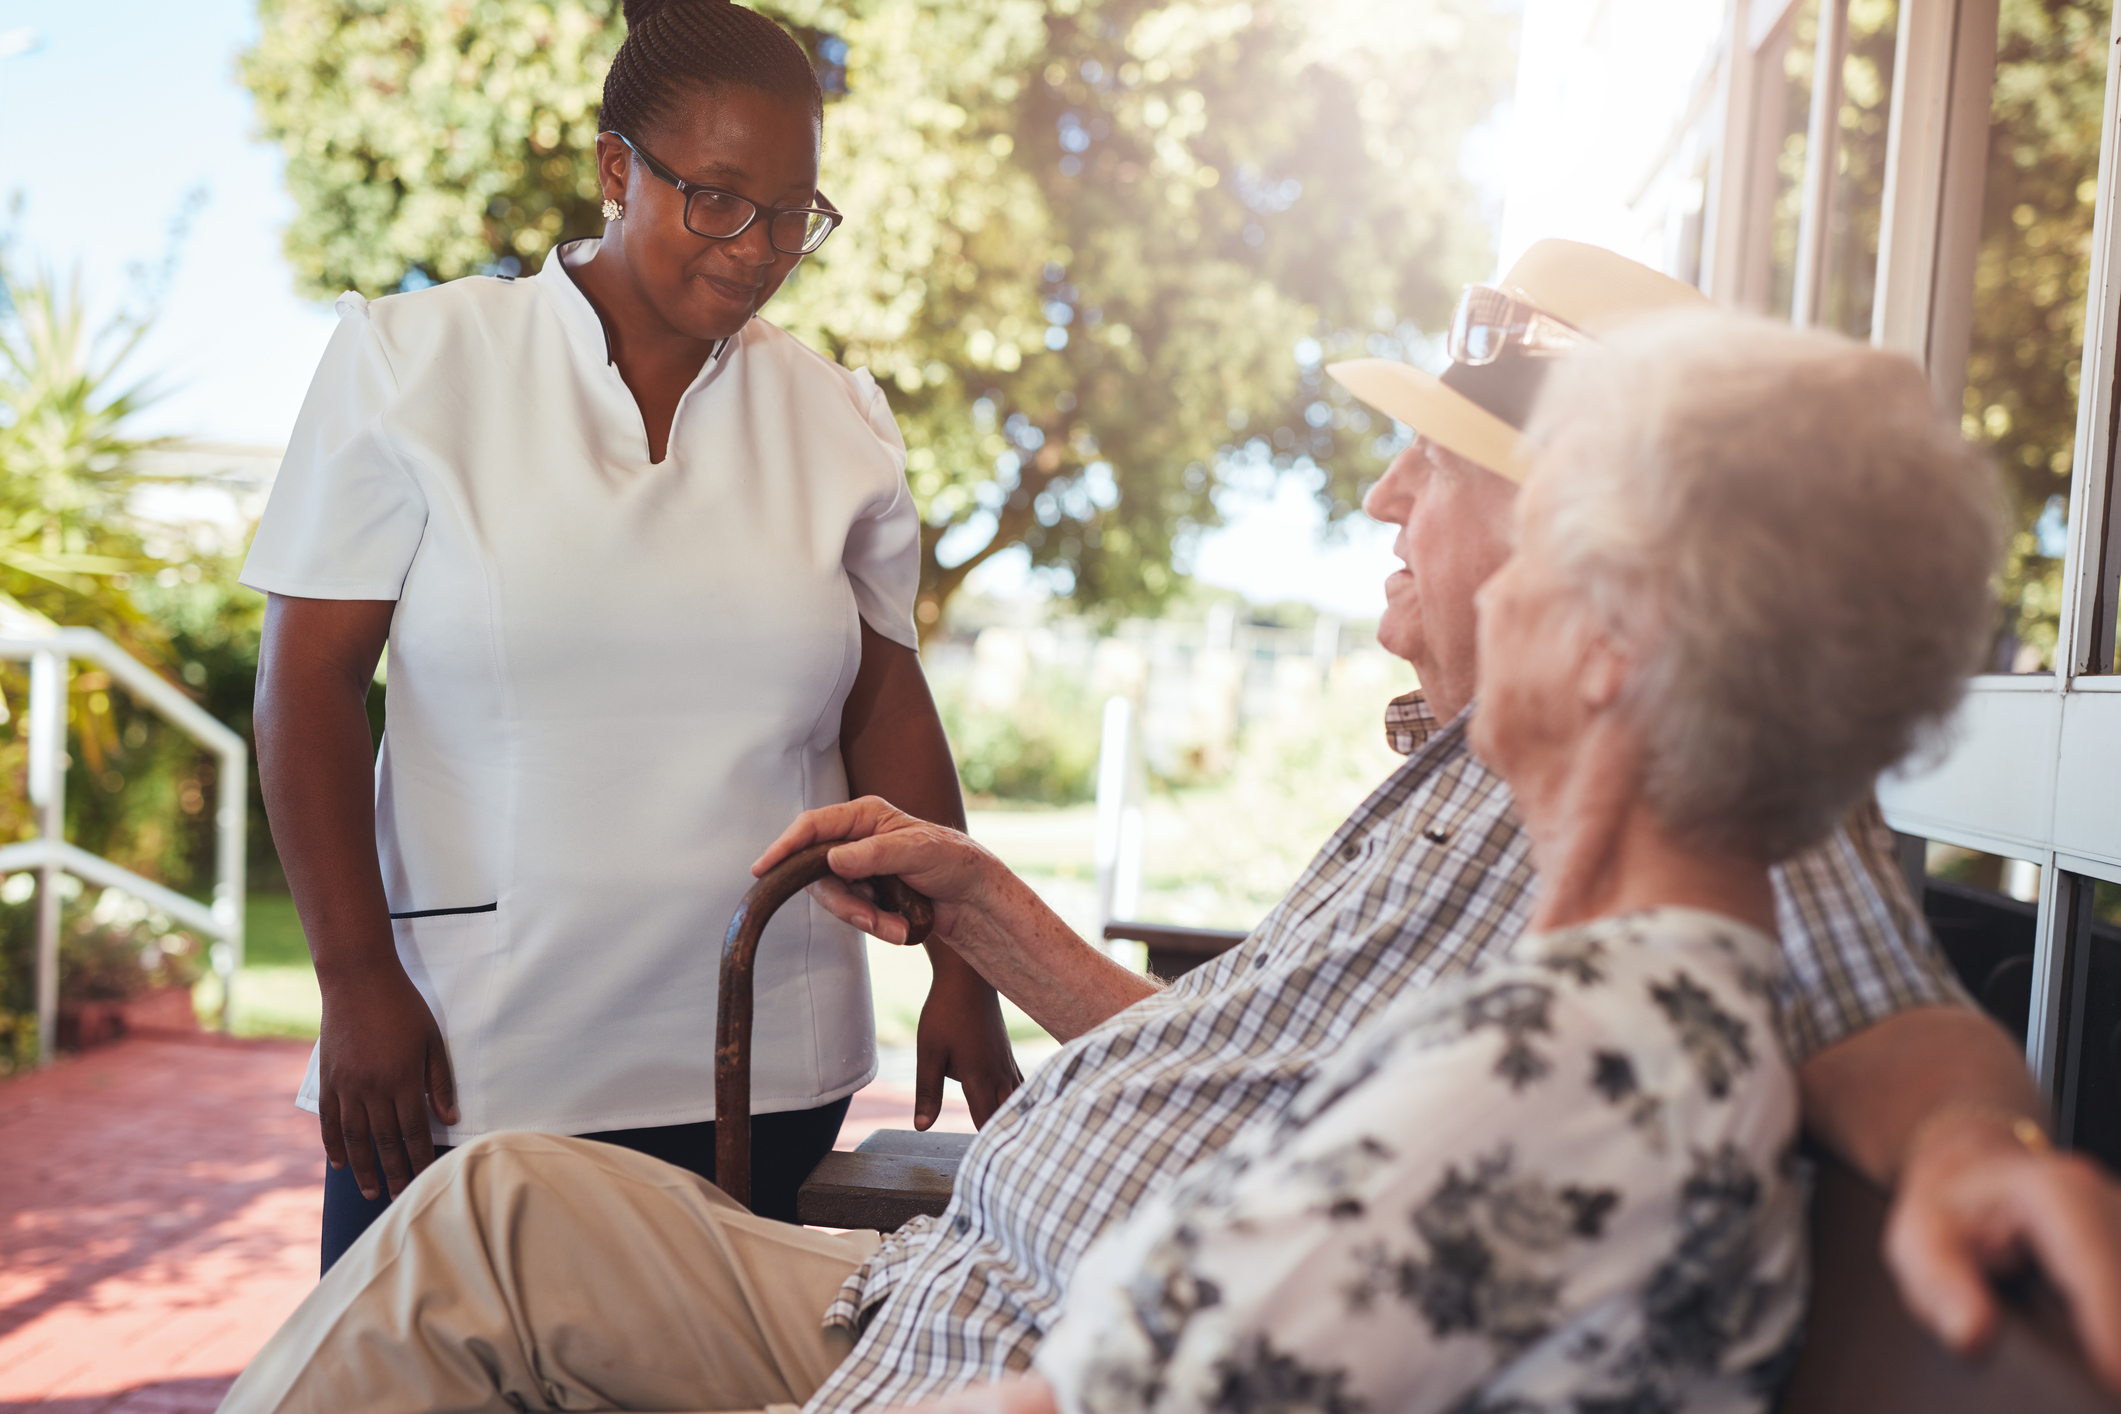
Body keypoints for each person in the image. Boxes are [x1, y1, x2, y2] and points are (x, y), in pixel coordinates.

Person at [214, 244, 2121, 1414]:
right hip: (957, 1276)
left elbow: (1884, 1010)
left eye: (1435, 470)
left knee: (461, 1264)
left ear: (1600, 586)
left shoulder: (1708, 832)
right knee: (492, 1207)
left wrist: (1968, 1140)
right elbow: (1264, 1079)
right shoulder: (1499, 793)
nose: (1380, 497)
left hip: (999, 1335)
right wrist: (989, 908)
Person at [242, 0, 1017, 1271]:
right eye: (718, 198)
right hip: (467, 1057)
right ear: (617, 170)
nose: (757, 247)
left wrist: (965, 970)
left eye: (792, 214)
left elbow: (884, 705)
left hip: (754, 1061)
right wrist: (355, 982)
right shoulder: (413, 365)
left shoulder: (839, 421)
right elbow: (308, 689)